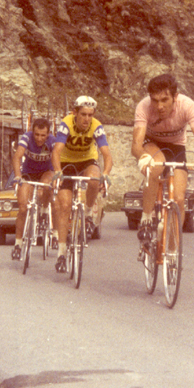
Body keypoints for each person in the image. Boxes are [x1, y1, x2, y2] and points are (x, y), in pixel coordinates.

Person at [131, 73, 194, 240]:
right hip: (152, 142)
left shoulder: (187, 105)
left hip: (177, 147)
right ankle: (146, 218)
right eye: (155, 100)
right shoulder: (143, 106)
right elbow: (136, 145)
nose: (159, 106)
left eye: (164, 100)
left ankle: (173, 247)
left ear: (175, 97)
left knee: (179, 199)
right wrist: (143, 157)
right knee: (157, 165)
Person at [51, 95, 113, 272]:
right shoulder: (66, 124)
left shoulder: (96, 126)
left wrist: (106, 173)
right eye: (83, 114)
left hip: (87, 161)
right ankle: (62, 253)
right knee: (64, 206)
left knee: (95, 178)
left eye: (90, 115)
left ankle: (87, 214)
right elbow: (56, 151)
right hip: (66, 163)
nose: (87, 119)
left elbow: (107, 155)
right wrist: (57, 171)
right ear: (75, 113)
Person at [11, 118, 57, 260]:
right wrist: (18, 176)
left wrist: (57, 176)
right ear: (32, 131)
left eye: (43, 135)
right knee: (23, 208)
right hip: (28, 173)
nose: (39, 138)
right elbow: (17, 157)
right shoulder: (26, 137)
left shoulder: (52, 141)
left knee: (46, 185)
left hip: (46, 172)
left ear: (48, 134)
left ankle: (44, 210)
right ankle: (18, 244)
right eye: (36, 134)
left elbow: (59, 159)